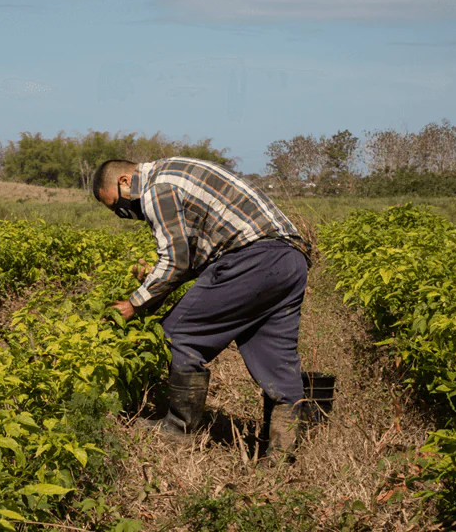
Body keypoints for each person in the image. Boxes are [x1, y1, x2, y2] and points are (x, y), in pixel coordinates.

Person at [92, 157, 314, 454]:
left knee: (177, 333)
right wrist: (155, 291)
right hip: (289, 261)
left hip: (252, 260)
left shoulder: (157, 187)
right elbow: (194, 258)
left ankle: (178, 429)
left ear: (124, 181)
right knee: (276, 358)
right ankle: (282, 454)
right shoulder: (173, 171)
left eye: (118, 206)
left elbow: (175, 261)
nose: (125, 213)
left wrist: (134, 304)